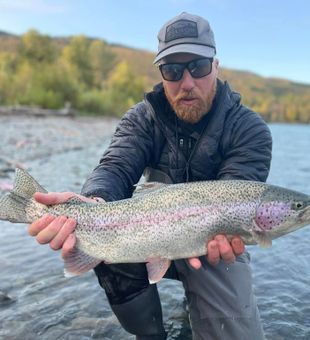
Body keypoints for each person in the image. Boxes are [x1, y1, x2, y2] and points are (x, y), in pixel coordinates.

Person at [28, 12, 272, 340]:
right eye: (172, 70)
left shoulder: (249, 129)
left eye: (198, 67)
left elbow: (238, 196)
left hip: (214, 246)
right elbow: (115, 167)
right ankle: (152, 335)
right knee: (106, 246)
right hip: (147, 236)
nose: (187, 82)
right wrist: (94, 200)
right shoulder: (142, 119)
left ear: (216, 65)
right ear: (161, 73)